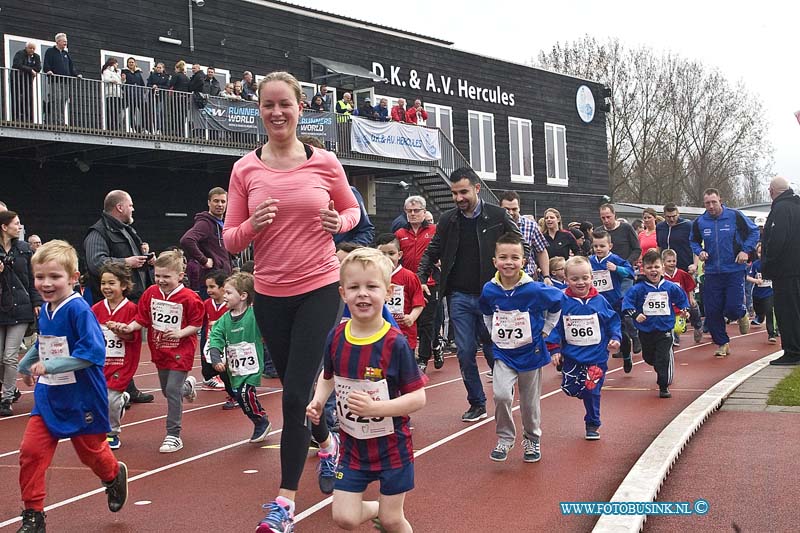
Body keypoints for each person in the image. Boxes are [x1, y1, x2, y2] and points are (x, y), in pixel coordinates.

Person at [222, 71, 360, 532]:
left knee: (296, 392)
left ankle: (284, 503)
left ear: (301, 107)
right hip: (270, 293)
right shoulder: (245, 169)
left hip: (320, 287)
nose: (277, 113)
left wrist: (337, 223)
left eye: (285, 104)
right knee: (293, 388)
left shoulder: (325, 163)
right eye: (268, 105)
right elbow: (229, 238)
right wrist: (252, 227)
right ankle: (328, 440)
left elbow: (352, 210)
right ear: (258, 109)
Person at [306, 248, 427, 533]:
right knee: (344, 518)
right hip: (352, 448)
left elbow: (418, 397)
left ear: (387, 293)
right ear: (342, 293)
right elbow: (328, 376)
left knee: (392, 520)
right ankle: (376, 508)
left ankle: (385, 514)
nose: (362, 294)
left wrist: (376, 409)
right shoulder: (336, 336)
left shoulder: (395, 342)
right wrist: (319, 400)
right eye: (354, 287)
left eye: (371, 287)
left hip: (392, 447)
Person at [16, 240, 128, 531]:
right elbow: (43, 342)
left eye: (55, 277)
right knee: (31, 451)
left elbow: (93, 353)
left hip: (82, 396)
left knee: (90, 452)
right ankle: (33, 515)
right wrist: (26, 363)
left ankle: (113, 475)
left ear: (73, 278)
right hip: (49, 394)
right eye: (40, 277)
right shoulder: (46, 308)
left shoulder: (79, 310)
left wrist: (49, 366)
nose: (46, 283)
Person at [418, 167, 526, 423]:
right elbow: (432, 251)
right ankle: (476, 402)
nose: (458, 198)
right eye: (454, 193)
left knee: (493, 347)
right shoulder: (447, 220)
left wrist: (516, 277)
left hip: (493, 295)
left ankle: (503, 391)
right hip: (459, 296)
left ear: (477, 189)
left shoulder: (498, 216)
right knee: (465, 351)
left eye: (463, 192)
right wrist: (420, 279)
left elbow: (521, 246)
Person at [479, 233, 561, 462]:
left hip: (530, 353)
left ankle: (532, 440)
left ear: (523, 261)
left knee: (529, 402)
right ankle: (505, 438)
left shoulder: (533, 289)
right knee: (501, 395)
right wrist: (493, 333)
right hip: (503, 352)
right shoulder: (489, 289)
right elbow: (486, 311)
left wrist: (546, 329)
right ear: (494, 261)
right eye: (503, 257)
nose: (509, 262)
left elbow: (557, 303)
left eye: (514, 257)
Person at [111, 251, 203, 453]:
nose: (161, 280)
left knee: (171, 391)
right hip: (159, 349)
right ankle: (187, 388)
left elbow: (196, 325)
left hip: (181, 350)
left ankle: (173, 434)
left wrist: (180, 333)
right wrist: (129, 327)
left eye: (166, 276)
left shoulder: (190, 298)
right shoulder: (151, 293)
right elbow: (142, 319)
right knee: (168, 389)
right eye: (157, 275)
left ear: (180, 275)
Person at [551, 256, 620, 440]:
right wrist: (554, 349)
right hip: (572, 356)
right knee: (570, 388)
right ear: (566, 279)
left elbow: (613, 321)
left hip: (596, 356)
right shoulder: (562, 301)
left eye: (585, 278)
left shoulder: (600, 301)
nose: (580, 283)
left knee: (592, 389)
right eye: (575, 279)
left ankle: (592, 423)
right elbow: (555, 327)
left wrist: (615, 337)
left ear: (591, 277)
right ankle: (584, 392)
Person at [689, 188, 759, 357]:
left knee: (732, 308)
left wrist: (745, 251)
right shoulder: (700, 222)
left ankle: (741, 314)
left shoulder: (734, 216)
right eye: (707, 203)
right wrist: (700, 252)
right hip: (712, 272)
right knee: (712, 311)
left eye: (714, 202)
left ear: (720, 199)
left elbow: (754, 231)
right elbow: (693, 240)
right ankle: (722, 343)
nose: (711, 206)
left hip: (734, 269)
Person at [208, 272, 272, 442]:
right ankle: (257, 418)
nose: (225, 296)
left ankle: (261, 421)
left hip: (253, 366)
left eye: (229, 293)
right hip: (234, 368)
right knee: (240, 396)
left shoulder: (255, 314)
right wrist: (216, 358)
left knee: (245, 392)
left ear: (243, 296)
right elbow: (215, 337)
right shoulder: (224, 319)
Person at [623, 250, 690, 398]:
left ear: (662, 268)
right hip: (646, 330)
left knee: (663, 358)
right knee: (648, 358)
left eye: (656, 267)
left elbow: (682, 299)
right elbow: (627, 304)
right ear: (644, 270)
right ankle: (658, 366)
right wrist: (636, 314)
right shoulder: (638, 289)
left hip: (665, 329)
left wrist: (685, 311)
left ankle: (663, 386)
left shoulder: (670, 287)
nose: (653, 270)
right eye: (649, 267)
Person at [90, 262, 141, 449]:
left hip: (122, 362)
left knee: (110, 397)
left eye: (111, 283)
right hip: (101, 362)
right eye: (103, 283)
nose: (106, 287)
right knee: (100, 398)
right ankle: (122, 400)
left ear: (124, 285)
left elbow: (133, 337)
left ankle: (112, 432)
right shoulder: (95, 309)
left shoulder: (131, 309)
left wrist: (122, 331)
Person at [0, 211, 41, 416]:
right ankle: (10, 388)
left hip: (21, 307)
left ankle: (5, 398)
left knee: (9, 356)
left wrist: (36, 302)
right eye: (16, 223)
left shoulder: (24, 250)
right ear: (4, 227)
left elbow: (32, 278)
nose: (19, 226)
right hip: (1, 307)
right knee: (0, 357)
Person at [394, 196, 438, 371]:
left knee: (427, 322)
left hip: (429, 282)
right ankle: (407, 354)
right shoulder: (400, 234)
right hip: (406, 284)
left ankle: (424, 358)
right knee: (407, 320)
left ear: (424, 211)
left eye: (416, 211)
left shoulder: (434, 230)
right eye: (409, 211)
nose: (412, 214)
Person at [762, 176, 800, 365]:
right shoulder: (797, 205)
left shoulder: (781, 209)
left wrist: (768, 263)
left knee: (787, 312)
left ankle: (793, 352)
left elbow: (776, 240)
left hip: (785, 271)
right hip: (795, 268)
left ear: (772, 191)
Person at [589, 229, 635, 372]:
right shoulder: (589, 261)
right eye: (596, 246)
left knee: (620, 333)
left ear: (610, 246)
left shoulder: (615, 260)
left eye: (602, 246)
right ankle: (597, 364)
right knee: (598, 335)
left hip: (614, 303)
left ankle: (626, 355)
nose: (598, 249)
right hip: (595, 304)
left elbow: (631, 273)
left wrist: (617, 269)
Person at [376, 233, 425, 351]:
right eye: (382, 254)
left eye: (391, 253)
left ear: (399, 255)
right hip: (378, 333)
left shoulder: (409, 277)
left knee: (404, 368)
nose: (387, 257)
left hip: (403, 333)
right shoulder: (372, 276)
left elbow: (419, 303)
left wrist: (412, 317)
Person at [180, 186, 233, 293]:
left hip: (223, 280)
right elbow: (187, 240)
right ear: (209, 202)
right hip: (212, 283)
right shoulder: (205, 223)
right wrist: (204, 260)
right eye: (216, 201)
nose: (220, 204)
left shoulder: (222, 223)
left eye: (223, 201)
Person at [199, 271, 236, 403]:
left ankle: (235, 395)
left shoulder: (230, 305)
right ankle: (211, 381)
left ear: (222, 288)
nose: (209, 290)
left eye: (212, 287)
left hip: (228, 344)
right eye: (207, 287)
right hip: (212, 343)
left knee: (228, 373)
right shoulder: (207, 304)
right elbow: (202, 323)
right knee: (209, 370)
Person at [498, 191, 551, 281]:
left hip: (526, 277)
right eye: (507, 209)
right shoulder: (494, 225)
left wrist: (546, 276)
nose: (510, 213)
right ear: (500, 208)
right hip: (500, 277)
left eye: (514, 209)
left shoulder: (530, 225)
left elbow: (541, 251)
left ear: (519, 208)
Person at [662, 249, 703, 345]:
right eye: (669, 261)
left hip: (682, 303)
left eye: (674, 261)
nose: (672, 263)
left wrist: (691, 298)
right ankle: (674, 337)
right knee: (673, 324)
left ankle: (697, 326)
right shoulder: (661, 276)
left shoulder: (681, 274)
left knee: (693, 308)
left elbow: (690, 285)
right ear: (663, 262)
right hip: (669, 305)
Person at [42, 33, 80, 125]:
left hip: (66, 82)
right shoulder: (50, 51)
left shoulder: (66, 54)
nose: (65, 43)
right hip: (55, 81)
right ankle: (55, 121)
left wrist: (76, 74)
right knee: (56, 100)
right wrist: (48, 71)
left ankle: (61, 121)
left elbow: (71, 67)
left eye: (66, 41)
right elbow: (46, 64)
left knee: (63, 100)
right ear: (58, 41)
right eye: (64, 41)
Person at [746, 243, 777, 344]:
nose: (761, 255)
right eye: (759, 253)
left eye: (763, 252)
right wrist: (756, 281)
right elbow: (747, 277)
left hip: (769, 291)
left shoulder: (772, 264)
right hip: (757, 293)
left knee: (769, 311)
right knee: (759, 311)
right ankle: (760, 316)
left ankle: (771, 334)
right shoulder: (755, 264)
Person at [656, 203, 696, 273]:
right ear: (664, 216)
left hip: (684, 268)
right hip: (665, 270)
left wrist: (695, 265)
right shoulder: (660, 227)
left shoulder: (688, 225)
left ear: (678, 214)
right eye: (668, 217)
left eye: (674, 216)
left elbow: (696, 246)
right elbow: (659, 246)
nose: (671, 219)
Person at [11, 42, 42, 122]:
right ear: (26, 48)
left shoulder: (36, 57)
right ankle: (17, 117)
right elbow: (17, 64)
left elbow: (38, 68)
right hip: (17, 79)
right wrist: (30, 70)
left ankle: (29, 118)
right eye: (30, 48)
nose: (32, 50)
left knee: (29, 98)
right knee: (17, 97)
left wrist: (28, 69)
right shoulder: (20, 53)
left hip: (28, 81)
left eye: (33, 48)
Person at [121, 57, 146, 132]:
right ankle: (132, 127)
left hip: (139, 95)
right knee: (132, 111)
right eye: (129, 62)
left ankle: (143, 128)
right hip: (130, 94)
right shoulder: (125, 72)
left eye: (132, 62)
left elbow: (142, 83)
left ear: (135, 63)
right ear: (127, 64)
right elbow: (123, 83)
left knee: (143, 111)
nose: (131, 63)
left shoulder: (138, 72)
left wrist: (143, 91)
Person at [167, 60, 191, 137]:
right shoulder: (187, 78)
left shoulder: (176, 75)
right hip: (184, 99)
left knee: (175, 114)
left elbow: (170, 84)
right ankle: (182, 132)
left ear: (177, 68)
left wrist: (170, 79)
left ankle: (175, 131)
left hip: (176, 98)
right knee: (183, 116)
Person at [147, 62, 171, 133]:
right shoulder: (152, 75)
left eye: (160, 68)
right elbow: (148, 84)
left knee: (158, 113)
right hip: (151, 96)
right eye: (157, 67)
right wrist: (152, 86)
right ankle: (151, 129)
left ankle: (158, 129)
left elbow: (167, 87)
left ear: (163, 69)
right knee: (151, 113)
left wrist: (159, 87)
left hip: (160, 97)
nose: (158, 69)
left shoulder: (166, 77)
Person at [101, 58, 124, 131]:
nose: (117, 65)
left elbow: (120, 83)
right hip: (110, 93)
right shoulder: (106, 71)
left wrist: (123, 80)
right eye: (116, 63)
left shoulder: (117, 72)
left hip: (118, 94)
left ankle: (117, 126)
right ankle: (111, 127)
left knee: (118, 111)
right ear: (112, 63)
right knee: (111, 111)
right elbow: (106, 79)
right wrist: (112, 80)